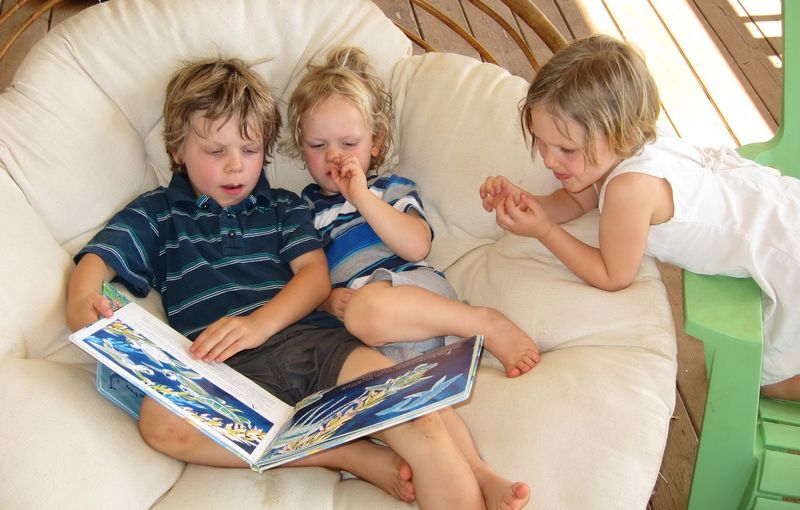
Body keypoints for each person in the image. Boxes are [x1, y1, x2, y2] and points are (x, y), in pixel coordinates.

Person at [66, 57, 530, 509]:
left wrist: (261, 324)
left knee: (418, 418)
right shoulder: (158, 213)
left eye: (249, 152)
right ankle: (346, 453)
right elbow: (98, 262)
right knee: (158, 423)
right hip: (219, 368)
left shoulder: (284, 207)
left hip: (316, 344)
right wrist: (83, 304)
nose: (235, 167)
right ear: (176, 151)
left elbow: (313, 278)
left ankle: (445, 471)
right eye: (215, 151)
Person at [479, 33, 800, 402]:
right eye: (541, 142)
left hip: (788, 256)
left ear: (620, 132)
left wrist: (544, 231)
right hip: (784, 209)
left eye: (567, 149)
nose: (550, 161)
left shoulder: (629, 189)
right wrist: (524, 202)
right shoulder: (628, 142)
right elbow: (576, 201)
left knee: (764, 381)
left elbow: (612, 275)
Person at [281, 46, 540, 378]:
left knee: (365, 312)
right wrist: (326, 301)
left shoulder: (387, 188)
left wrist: (362, 198)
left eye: (348, 144)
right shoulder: (301, 212)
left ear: (374, 143)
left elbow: (418, 246)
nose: (334, 156)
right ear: (302, 148)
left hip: (418, 298)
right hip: (379, 342)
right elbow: (302, 281)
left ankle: (482, 322)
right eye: (318, 145)